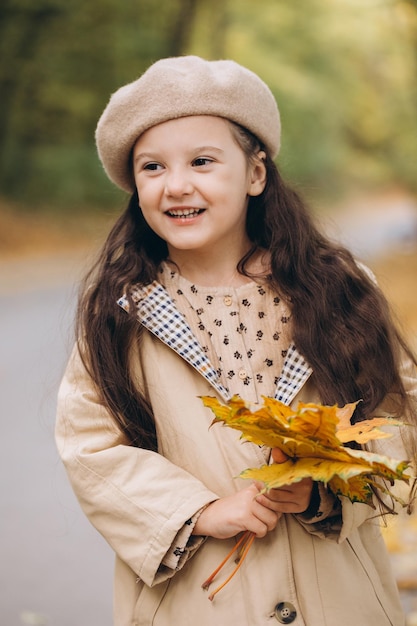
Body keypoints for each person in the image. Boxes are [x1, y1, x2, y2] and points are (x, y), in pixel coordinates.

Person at [56, 56, 417, 626]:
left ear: (255, 174)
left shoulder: (338, 293)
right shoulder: (120, 310)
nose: (176, 186)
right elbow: (91, 447)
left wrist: (326, 490)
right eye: (152, 167)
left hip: (340, 598)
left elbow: (396, 420)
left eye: (202, 161)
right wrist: (197, 511)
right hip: (198, 599)